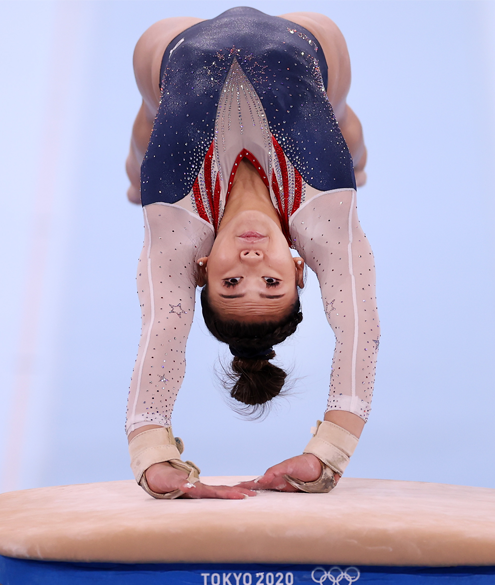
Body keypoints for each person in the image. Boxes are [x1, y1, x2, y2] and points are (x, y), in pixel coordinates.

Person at [123, 7, 378, 499]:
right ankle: (360, 161)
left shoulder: (176, 228)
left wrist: (152, 458)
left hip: (171, 49)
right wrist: (329, 455)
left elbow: (162, 334)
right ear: (301, 268)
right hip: (309, 41)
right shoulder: (325, 218)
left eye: (231, 284)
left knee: (146, 138)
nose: (253, 265)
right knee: (343, 129)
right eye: (273, 284)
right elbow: (361, 328)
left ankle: (133, 175)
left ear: (200, 268)